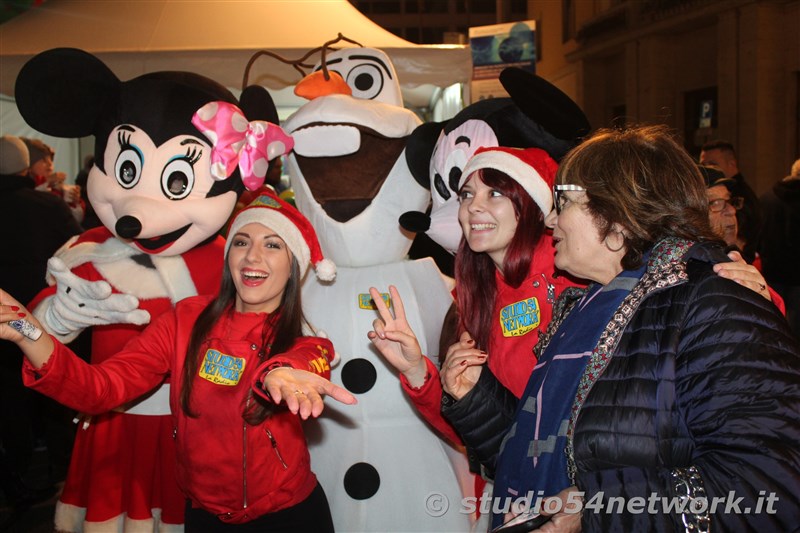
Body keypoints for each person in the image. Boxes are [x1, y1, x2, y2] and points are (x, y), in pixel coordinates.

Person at [451, 125, 799, 531]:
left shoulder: (710, 305)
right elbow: (546, 451)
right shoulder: (584, 308)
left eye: (563, 202)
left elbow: (770, 486)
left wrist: (599, 511)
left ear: (616, 214)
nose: (549, 218)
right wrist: (474, 399)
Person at [0, 193, 357, 531]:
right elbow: (99, 389)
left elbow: (307, 360)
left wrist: (278, 373)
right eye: (242, 241)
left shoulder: (305, 340)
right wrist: (23, 327)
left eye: (273, 245)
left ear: (293, 265)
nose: (252, 257)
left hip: (288, 517)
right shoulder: (185, 319)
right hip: (203, 518)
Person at [368, 146, 579, 456]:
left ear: (533, 205)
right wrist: (417, 371)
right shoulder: (473, 299)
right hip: (516, 486)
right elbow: (474, 431)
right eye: (466, 195)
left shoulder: (573, 278)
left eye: (495, 193)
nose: (473, 208)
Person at [0, 134, 82, 521]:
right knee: (53, 391)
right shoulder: (47, 206)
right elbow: (75, 260)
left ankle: (16, 477)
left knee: (8, 402)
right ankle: (64, 472)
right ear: (25, 166)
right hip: (44, 320)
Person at [698, 164, 784, 311]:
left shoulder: (736, 258)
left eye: (730, 201)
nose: (731, 210)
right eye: (716, 203)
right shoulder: (697, 272)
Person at [700, 139, 761, 261]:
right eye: (703, 164)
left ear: (732, 164)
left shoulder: (745, 196)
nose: (732, 211)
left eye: (712, 164)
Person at [759, 158, 800, 337]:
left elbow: (758, 233)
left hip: (772, 270)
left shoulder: (767, 198)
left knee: (774, 322)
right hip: (797, 275)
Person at [21, 137, 85, 224]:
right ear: (29, 166)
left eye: (51, 159)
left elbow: (75, 220)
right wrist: (47, 181)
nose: (50, 164)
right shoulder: (23, 188)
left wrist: (75, 203)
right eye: (43, 160)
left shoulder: (56, 189)